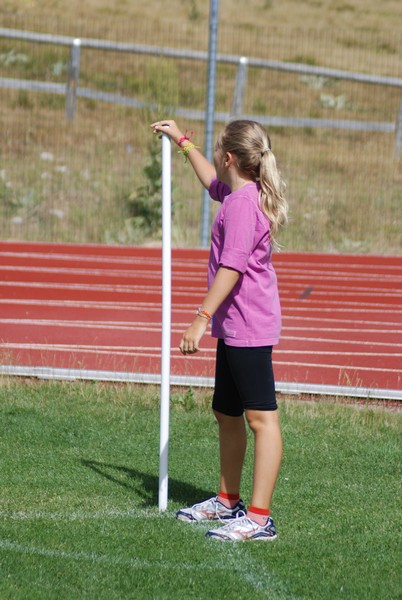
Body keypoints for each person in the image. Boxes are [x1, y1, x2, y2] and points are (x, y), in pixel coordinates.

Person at [150, 118, 288, 541]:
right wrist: (183, 141)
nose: (212, 157)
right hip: (234, 326)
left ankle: (260, 518)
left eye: (214, 149)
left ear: (229, 156)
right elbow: (211, 182)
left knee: (261, 420)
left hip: (248, 325)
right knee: (225, 413)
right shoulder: (236, 194)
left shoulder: (245, 205)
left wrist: (200, 317)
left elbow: (232, 267)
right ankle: (228, 501)